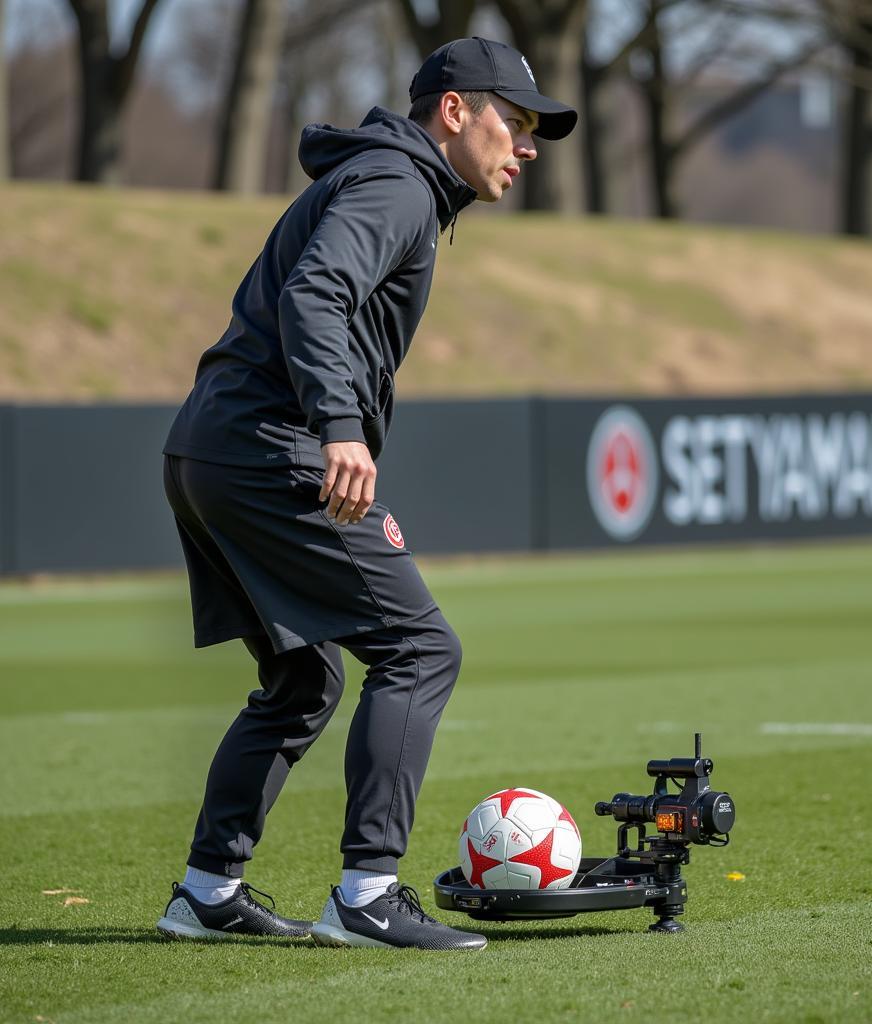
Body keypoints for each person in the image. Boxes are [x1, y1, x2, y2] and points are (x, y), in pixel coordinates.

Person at [155, 37, 577, 951]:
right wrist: (339, 426)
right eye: (517, 120)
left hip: (209, 449)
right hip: (272, 450)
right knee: (422, 649)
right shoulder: (399, 186)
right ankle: (367, 894)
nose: (530, 145)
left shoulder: (393, 183)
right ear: (455, 111)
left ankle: (207, 890)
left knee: (304, 675)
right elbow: (317, 295)